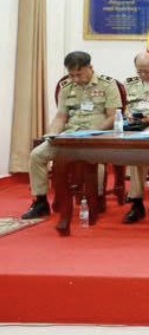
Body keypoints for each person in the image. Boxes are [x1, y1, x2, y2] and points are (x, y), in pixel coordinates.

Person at [22, 51, 122, 220]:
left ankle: (96, 199)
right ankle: (40, 202)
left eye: (79, 74)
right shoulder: (67, 87)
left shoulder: (107, 84)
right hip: (70, 137)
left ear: (90, 68)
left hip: (96, 137)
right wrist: (53, 133)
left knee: (96, 162)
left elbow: (113, 116)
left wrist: (92, 132)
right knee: (37, 155)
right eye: (71, 75)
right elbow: (61, 116)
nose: (75, 79)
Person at [122, 52, 149, 224]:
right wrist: (128, 117)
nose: (143, 75)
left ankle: (135, 200)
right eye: (139, 71)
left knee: (138, 153)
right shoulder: (129, 83)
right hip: (133, 128)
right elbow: (124, 107)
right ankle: (136, 200)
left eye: (146, 71)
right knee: (134, 152)